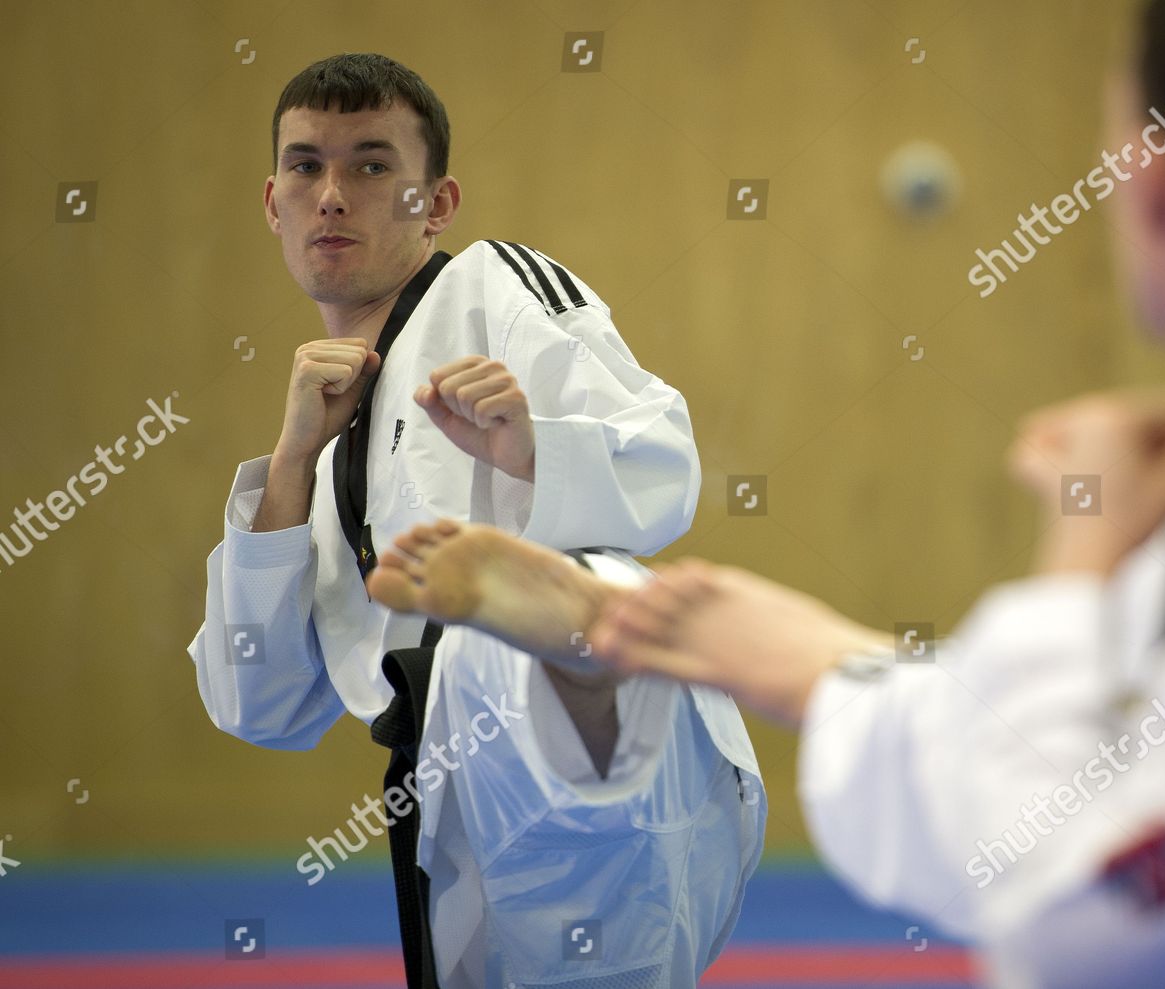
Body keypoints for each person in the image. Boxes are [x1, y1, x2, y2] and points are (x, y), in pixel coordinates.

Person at [366, 1, 1165, 985]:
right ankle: (699, 659)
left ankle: (680, 659)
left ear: (1153, 189)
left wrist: (1073, 563)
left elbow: (1071, 919)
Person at [185, 53, 764, 989]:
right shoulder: (327, 458)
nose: (332, 195)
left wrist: (531, 447)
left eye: (372, 165)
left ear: (437, 202)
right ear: (272, 201)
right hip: (449, 794)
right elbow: (259, 701)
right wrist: (290, 465)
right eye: (306, 166)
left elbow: (665, 469)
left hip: (592, 764)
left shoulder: (491, 289)